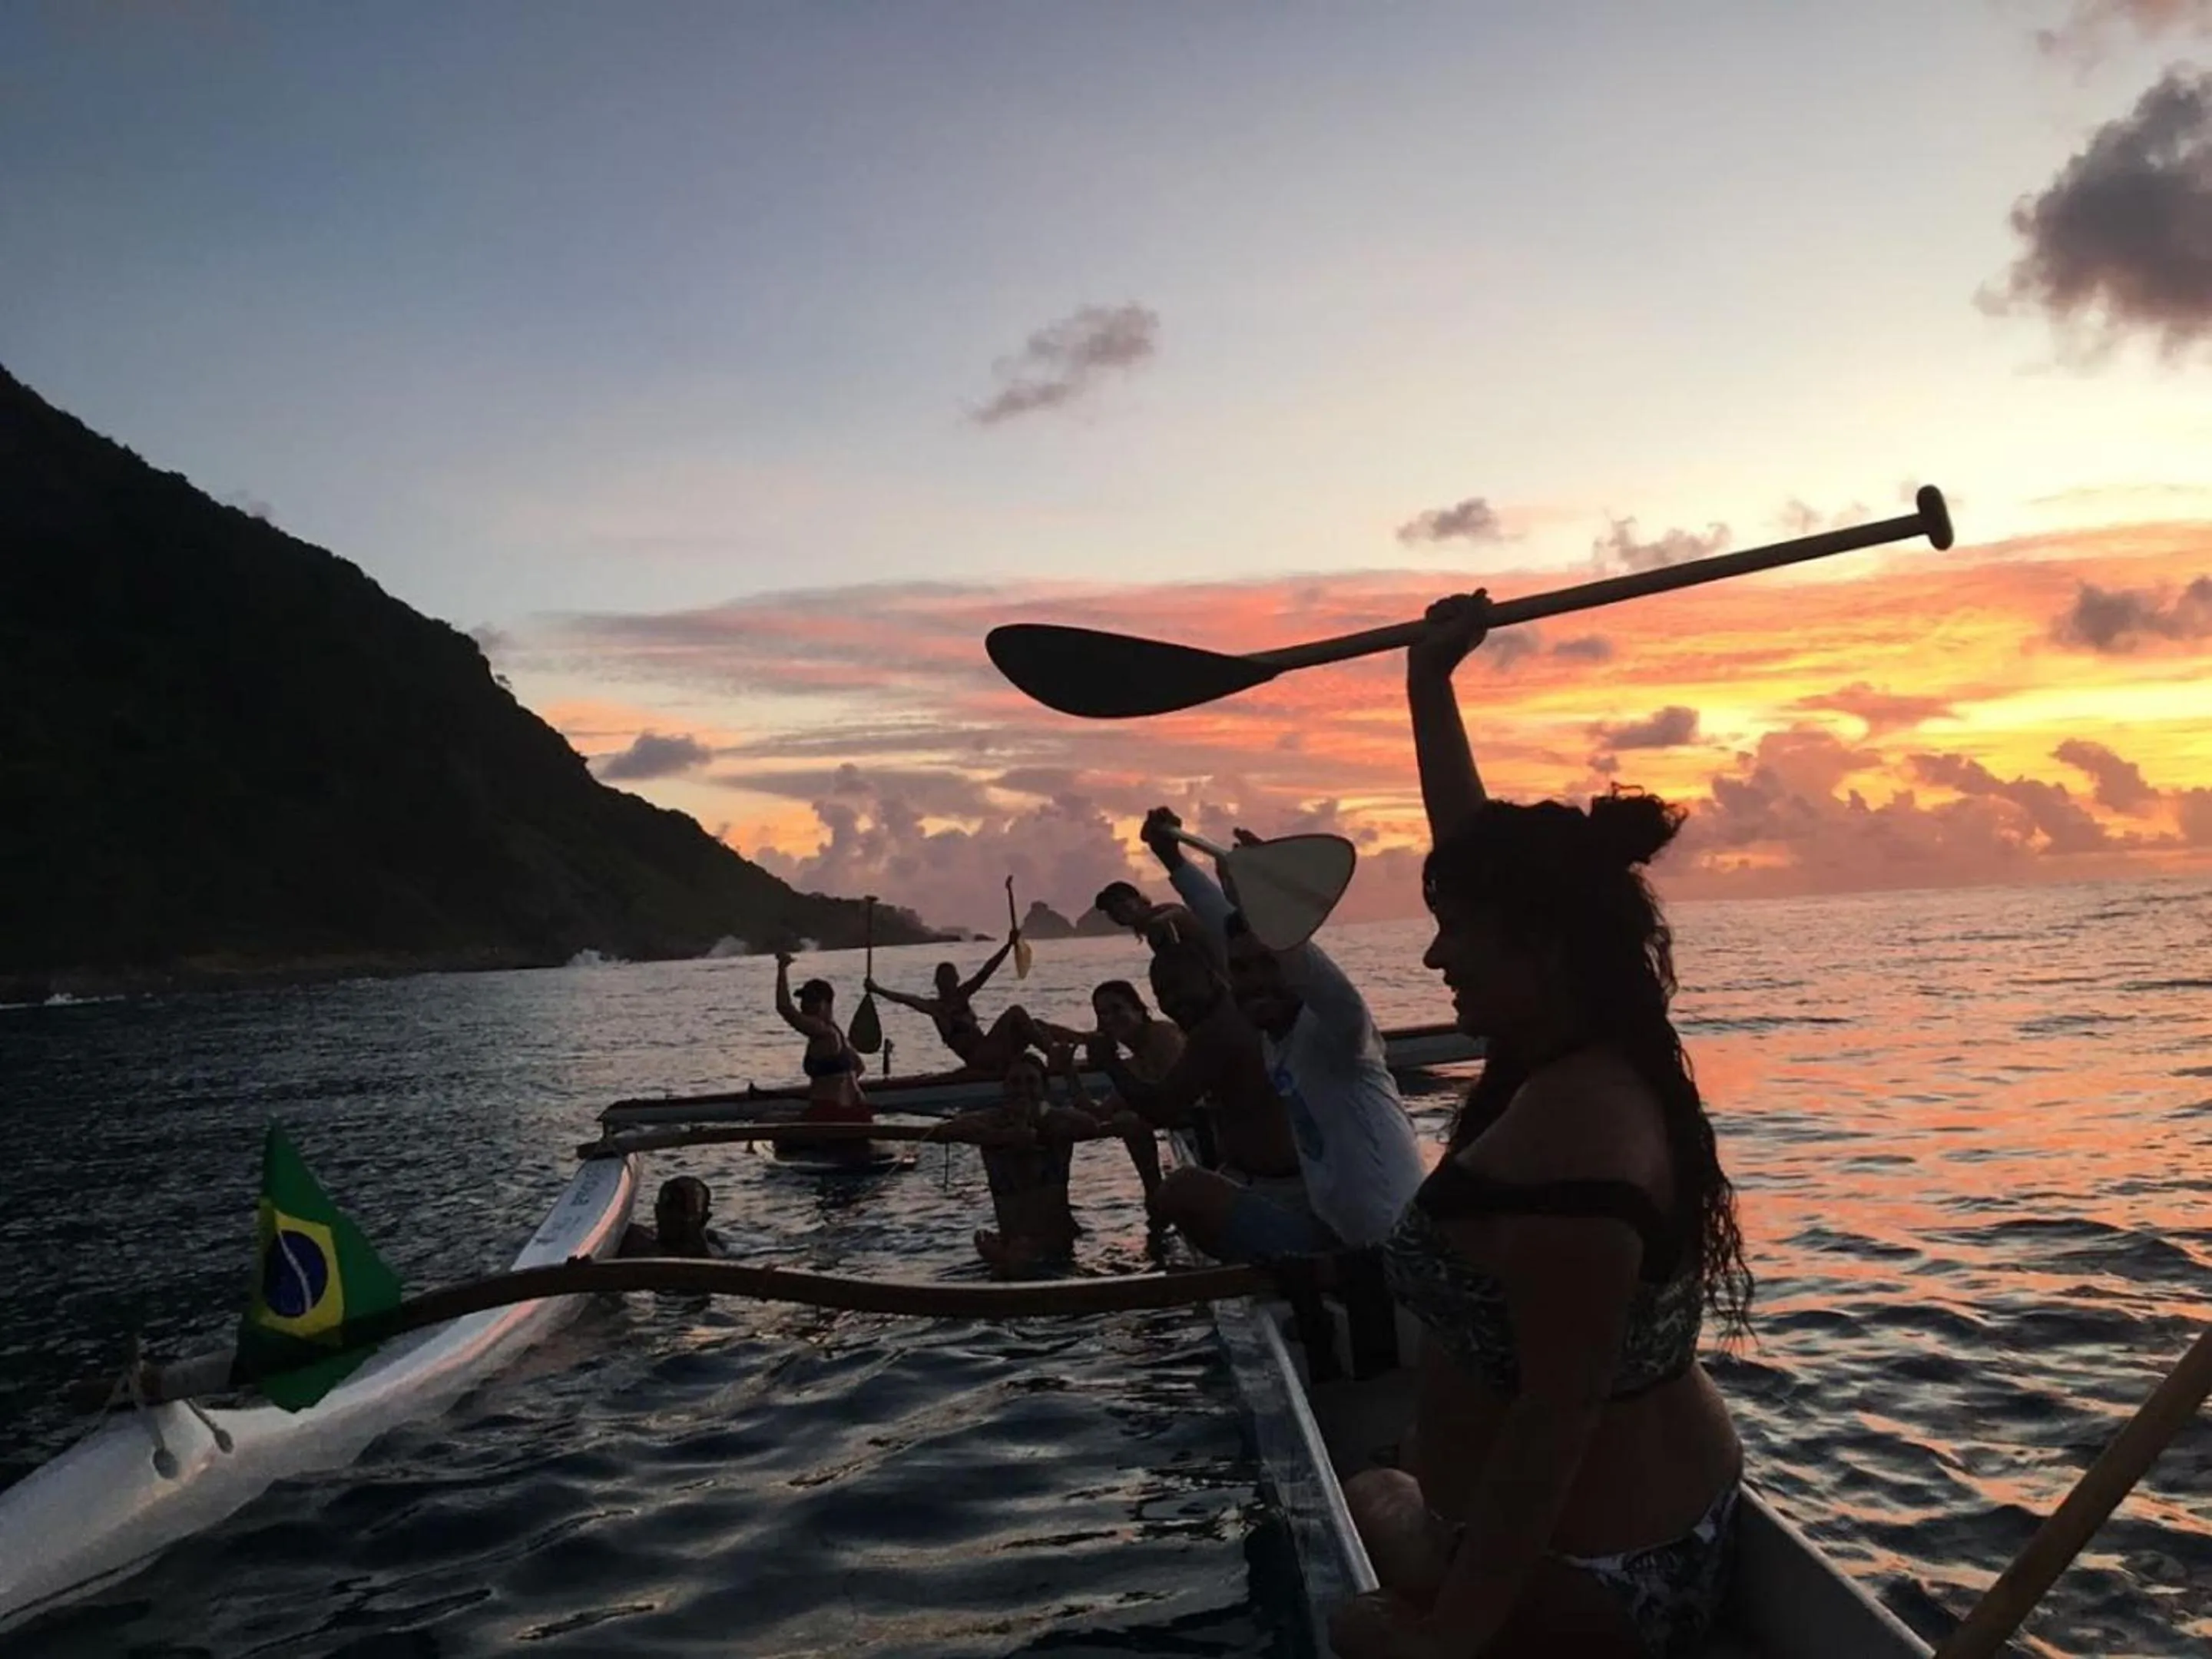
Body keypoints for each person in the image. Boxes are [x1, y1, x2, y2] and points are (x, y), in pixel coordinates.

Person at [1326, 593, 1753, 1659]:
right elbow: (1477, 850)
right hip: (1654, 1524)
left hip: (1602, 1578)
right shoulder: (1584, 1044)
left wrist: (1446, 1640)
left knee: (1363, 1544)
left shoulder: (1578, 1147)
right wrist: (1430, 684)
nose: (1435, 961)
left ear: (1540, 948)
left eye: (1454, 933)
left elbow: (1549, 1430)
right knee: (1388, 1474)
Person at [1138, 806, 1428, 1254]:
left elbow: (1313, 973)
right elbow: (1227, 929)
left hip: (1390, 1253)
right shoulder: (1276, 1037)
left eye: (1268, 966)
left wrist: (1273, 909)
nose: (1253, 983)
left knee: (1186, 1190)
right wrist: (1173, 861)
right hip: (1333, 1238)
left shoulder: (1339, 1033)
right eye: (1241, 971)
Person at [1091, 942, 1323, 1259]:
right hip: (1265, 1177)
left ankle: (1269, 1271)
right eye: (1164, 994)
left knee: (1177, 1191)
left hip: (1285, 1189)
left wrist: (1110, 1064)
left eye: (1181, 988)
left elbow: (1163, 1109)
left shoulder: (1216, 1031)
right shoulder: (1226, 1019)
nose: (1174, 1001)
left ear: (1212, 978)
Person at [925, 1050, 1114, 1276]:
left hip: (1058, 1249)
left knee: (1019, 1261)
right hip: (1014, 1243)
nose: (1022, 1088)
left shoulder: (1057, 1123)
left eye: (1030, 1081)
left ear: (1044, 1088)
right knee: (1014, 1258)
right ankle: (1006, 1259)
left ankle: (1007, 1260)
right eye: (1015, 1082)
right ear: (1005, 1088)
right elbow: (948, 1130)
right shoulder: (992, 1123)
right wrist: (1003, 1137)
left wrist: (1037, 1124)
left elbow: (1090, 1124)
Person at [864, 932, 1055, 1078]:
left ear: (956, 980)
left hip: (991, 1050)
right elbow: (906, 999)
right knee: (1016, 1012)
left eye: (951, 978)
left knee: (1036, 1024)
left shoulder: (963, 995)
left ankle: (1079, 1041)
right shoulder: (937, 1009)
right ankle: (1055, 1056)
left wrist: (1007, 945)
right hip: (979, 1058)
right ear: (937, 983)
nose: (948, 983)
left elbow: (986, 971)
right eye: (943, 979)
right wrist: (877, 989)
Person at [1093, 879, 1213, 960]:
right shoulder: (1152, 927)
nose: (1117, 909)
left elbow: (1178, 913)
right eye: (1110, 909)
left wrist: (1161, 922)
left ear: (1138, 899)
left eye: (1121, 901)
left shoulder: (1164, 914)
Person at [618, 1175, 727, 1257]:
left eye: (683, 1211)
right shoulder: (632, 1239)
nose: (674, 1217)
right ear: (657, 1211)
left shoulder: (713, 1257)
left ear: (704, 1219)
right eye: (669, 1207)